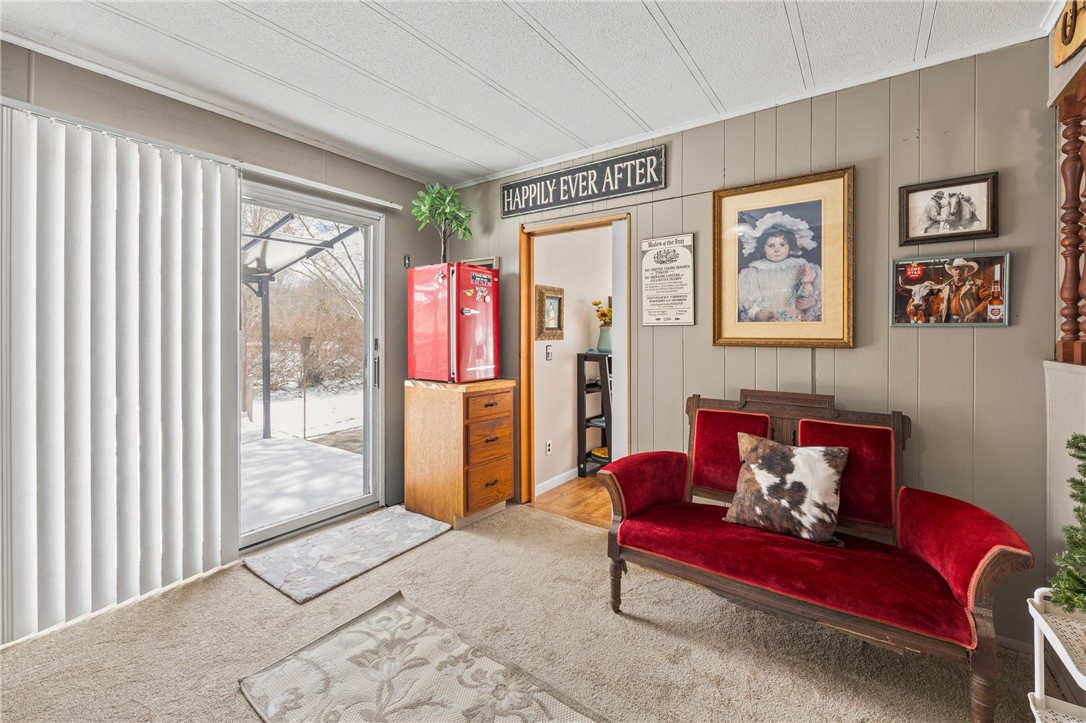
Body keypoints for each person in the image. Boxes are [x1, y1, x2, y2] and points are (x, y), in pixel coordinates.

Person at [737, 212, 821, 322]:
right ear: (763, 247)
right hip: (767, 322)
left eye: (782, 245)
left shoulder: (802, 267)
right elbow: (745, 300)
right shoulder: (753, 271)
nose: (777, 250)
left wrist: (811, 301)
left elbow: (819, 292)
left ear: (790, 246)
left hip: (795, 320)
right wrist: (756, 313)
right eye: (771, 245)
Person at [936, 257, 990, 323]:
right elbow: (940, 305)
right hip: (949, 321)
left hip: (969, 321)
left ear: (968, 271)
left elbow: (988, 299)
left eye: (962, 269)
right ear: (952, 272)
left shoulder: (978, 284)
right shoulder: (946, 287)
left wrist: (975, 312)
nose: (959, 272)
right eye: (956, 269)